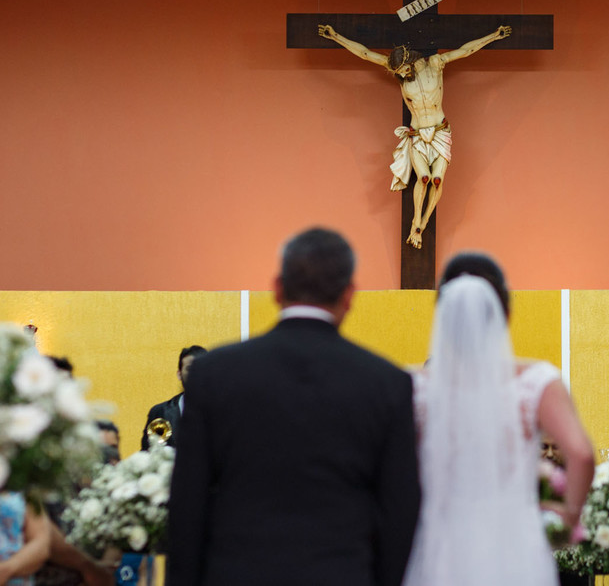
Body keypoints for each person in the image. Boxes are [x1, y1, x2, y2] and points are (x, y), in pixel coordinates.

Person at [166, 227, 421, 586]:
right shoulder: (387, 383)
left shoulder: (214, 374)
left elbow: (187, 502)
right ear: (349, 295)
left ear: (277, 289)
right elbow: (400, 508)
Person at [400, 252, 594, 586]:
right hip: (515, 546)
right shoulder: (537, 380)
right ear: (506, 311)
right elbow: (582, 454)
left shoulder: (412, 385)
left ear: (442, 313)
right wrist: (568, 521)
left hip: (440, 546)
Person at [316, 23, 512, 249]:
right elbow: (365, 53)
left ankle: (422, 224)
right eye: (398, 73)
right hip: (417, 134)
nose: (401, 75)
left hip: (439, 132)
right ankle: (415, 222)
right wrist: (335, 36)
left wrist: (493, 36)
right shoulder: (397, 70)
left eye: (403, 70)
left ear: (410, 60)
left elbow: (466, 50)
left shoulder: (436, 64)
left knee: (437, 180)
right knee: (424, 178)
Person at [140, 345, 205, 450]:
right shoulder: (160, 412)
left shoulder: (224, 412)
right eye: (189, 368)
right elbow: (147, 454)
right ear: (179, 374)